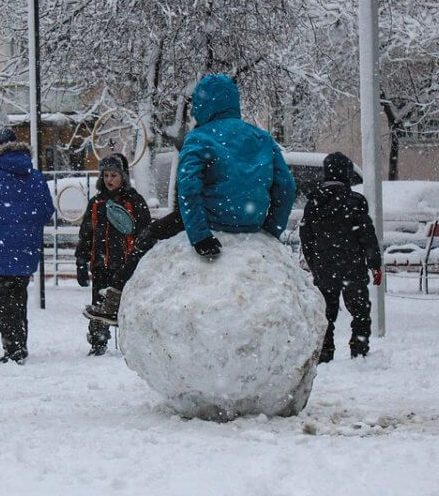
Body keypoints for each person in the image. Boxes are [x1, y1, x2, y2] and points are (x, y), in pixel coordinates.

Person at [84, 73, 297, 325]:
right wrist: (270, 229)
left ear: (203, 104)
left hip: (212, 217)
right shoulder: (262, 138)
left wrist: (200, 236)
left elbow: (189, 189)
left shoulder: (200, 138)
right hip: (253, 222)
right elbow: (286, 187)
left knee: (148, 236)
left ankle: (115, 299)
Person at [0, 127, 55, 364]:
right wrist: (28, 226)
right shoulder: (36, 176)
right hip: (27, 247)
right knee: (19, 294)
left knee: (4, 298)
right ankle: (20, 342)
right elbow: (47, 209)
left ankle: (11, 345)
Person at [298, 151, 382, 362]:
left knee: (326, 313)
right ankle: (359, 348)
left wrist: (314, 262)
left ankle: (326, 351)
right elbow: (367, 237)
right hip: (352, 265)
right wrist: (374, 264)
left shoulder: (314, 202)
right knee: (360, 311)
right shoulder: (355, 202)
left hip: (325, 266)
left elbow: (306, 236)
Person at [75, 152, 151, 355]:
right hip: (101, 264)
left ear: (123, 177)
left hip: (126, 265)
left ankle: (133, 344)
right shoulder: (96, 202)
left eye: (113, 175)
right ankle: (98, 341)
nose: (109, 180)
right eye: (106, 175)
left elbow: (146, 231)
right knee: (99, 305)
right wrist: (81, 260)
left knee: (127, 304)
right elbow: (86, 233)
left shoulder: (134, 201)